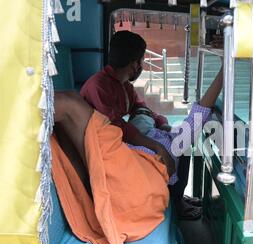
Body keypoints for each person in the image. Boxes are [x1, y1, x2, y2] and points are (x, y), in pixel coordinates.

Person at [81, 30, 214, 220]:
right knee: (165, 151)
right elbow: (118, 129)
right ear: (134, 63)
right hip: (105, 151)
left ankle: (176, 197)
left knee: (182, 148)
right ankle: (172, 201)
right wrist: (157, 145)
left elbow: (140, 107)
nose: (141, 66)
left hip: (122, 140)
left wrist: (162, 124)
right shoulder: (98, 86)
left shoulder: (124, 85)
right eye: (141, 61)